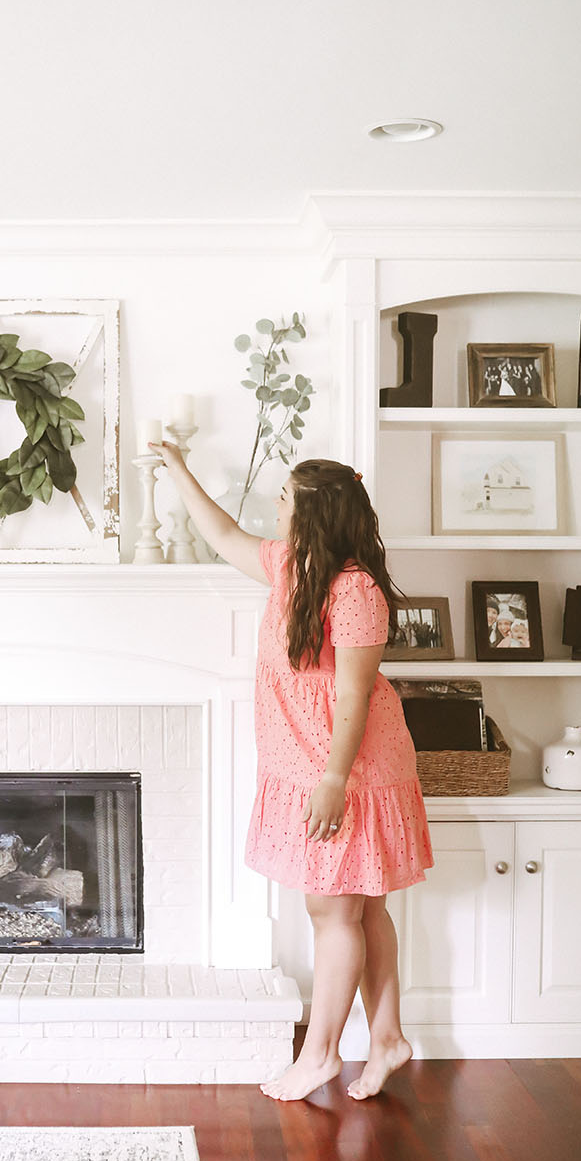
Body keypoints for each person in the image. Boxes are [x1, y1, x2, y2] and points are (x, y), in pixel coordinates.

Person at [153, 446, 434, 1102]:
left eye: (285, 497)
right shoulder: (289, 565)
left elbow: (354, 697)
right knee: (358, 907)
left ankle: (321, 1055)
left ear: (314, 517)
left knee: (333, 909)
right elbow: (221, 532)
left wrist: (333, 779)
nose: (275, 505)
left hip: (347, 766)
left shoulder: (355, 589)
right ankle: (387, 1038)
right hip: (304, 759)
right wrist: (178, 469)